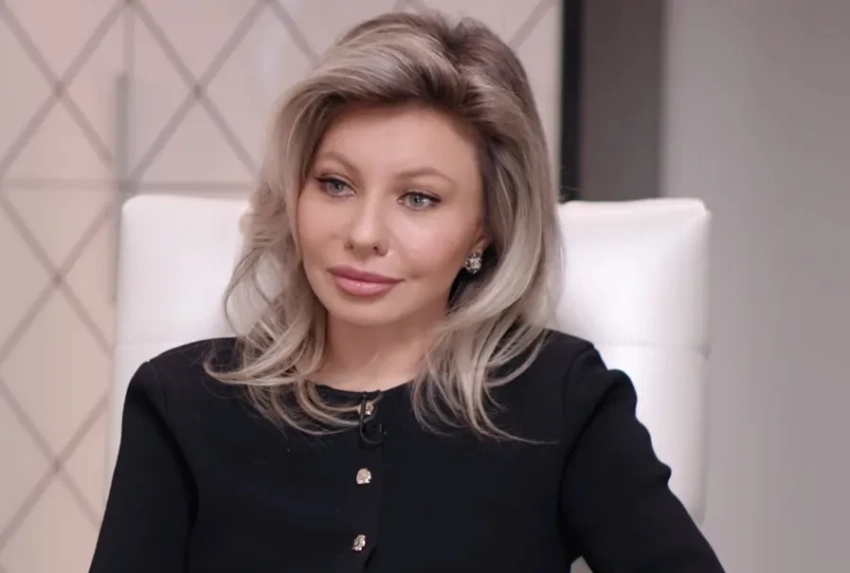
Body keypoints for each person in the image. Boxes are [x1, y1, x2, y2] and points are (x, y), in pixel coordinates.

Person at [89, 10, 725, 573]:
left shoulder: (562, 398)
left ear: (486, 227)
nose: (364, 234)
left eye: (418, 198)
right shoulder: (181, 401)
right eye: (335, 184)